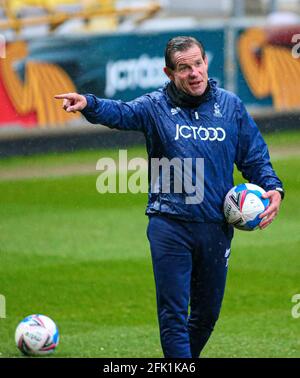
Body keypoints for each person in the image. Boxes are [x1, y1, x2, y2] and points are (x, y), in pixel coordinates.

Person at [55, 36, 284, 358]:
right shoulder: (155, 107)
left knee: (206, 316)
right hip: (170, 225)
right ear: (169, 72)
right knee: (174, 316)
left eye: (198, 64)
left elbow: (254, 158)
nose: (193, 73)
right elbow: (121, 112)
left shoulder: (231, 106)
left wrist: (273, 187)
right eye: (183, 68)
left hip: (216, 228)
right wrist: (89, 104)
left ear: (206, 63)